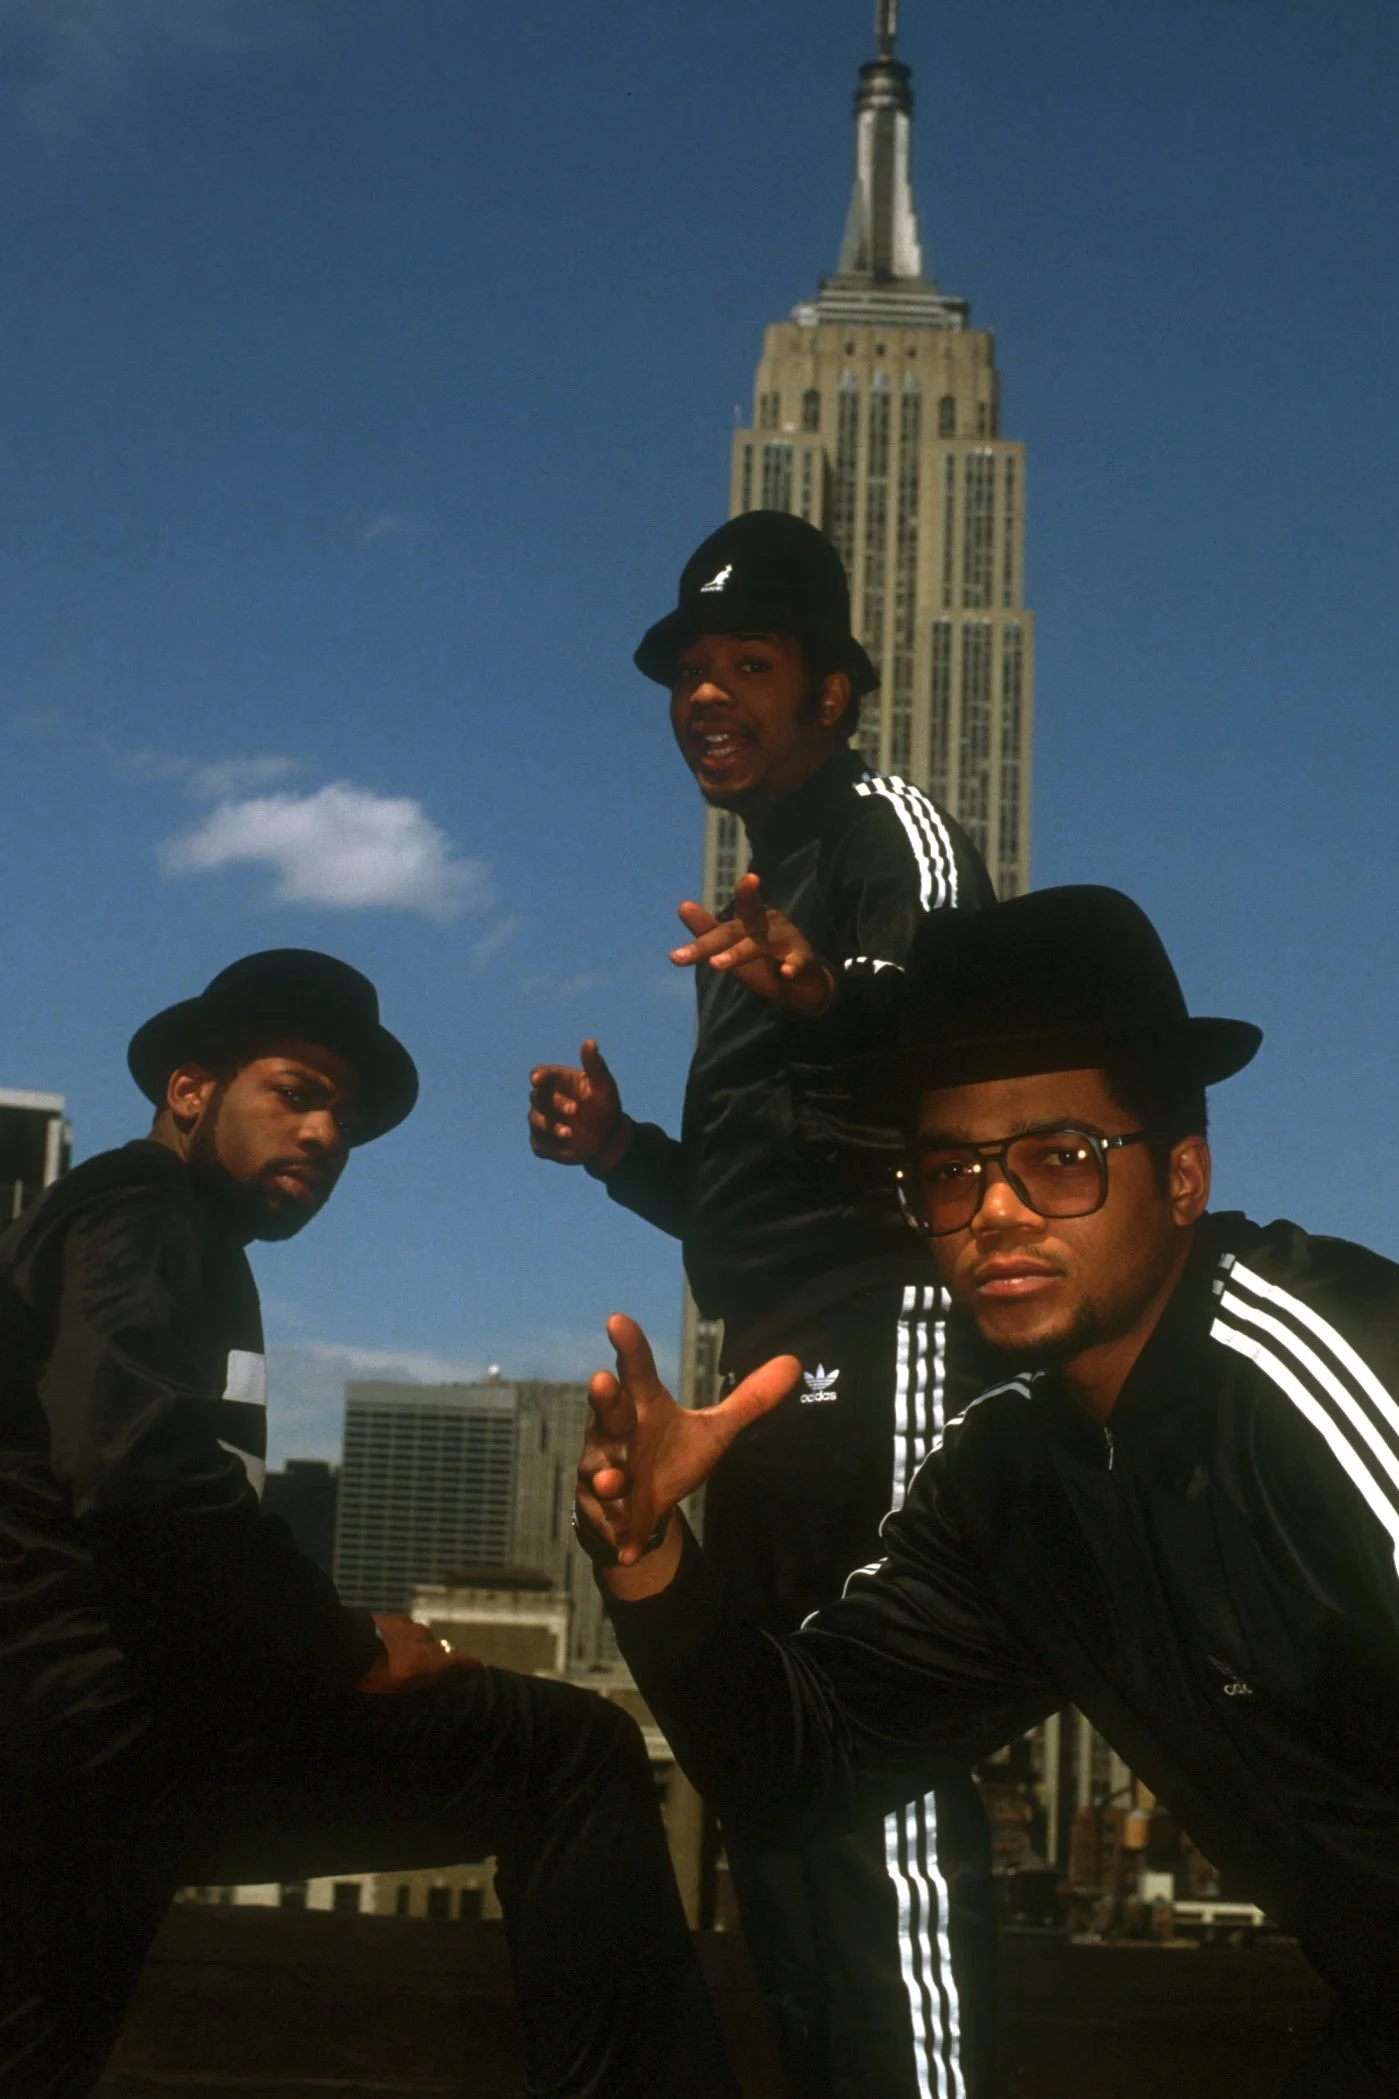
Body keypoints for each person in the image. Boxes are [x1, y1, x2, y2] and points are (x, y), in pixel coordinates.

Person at [578, 884, 1399, 2098]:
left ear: (1182, 1176)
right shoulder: (1015, 1478)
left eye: (1059, 1158)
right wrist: (646, 1555)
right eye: (952, 1171)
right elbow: (796, 1765)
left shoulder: (1322, 1364)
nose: (995, 1212)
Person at [0, 949, 734, 2099]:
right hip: (111, 1727)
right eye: (296, 1092)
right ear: (192, 1091)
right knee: (573, 1754)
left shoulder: (161, 1233)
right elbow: (134, 1463)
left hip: (84, 1745)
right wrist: (339, 1642)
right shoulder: (136, 1206)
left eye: (342, 1115)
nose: (327, 1135)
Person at [530, 508, 999, 2099]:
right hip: (764, 1358)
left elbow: (968, 1018)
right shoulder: (757, 892)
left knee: (883, 1734)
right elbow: (753, 1198)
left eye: (748, 664)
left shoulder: (889, 830)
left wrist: (828, 987)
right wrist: (616, 1155)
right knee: (774, 1752)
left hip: (893, 1324)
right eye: (688, 672)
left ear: (832, 692)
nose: (707, 695)